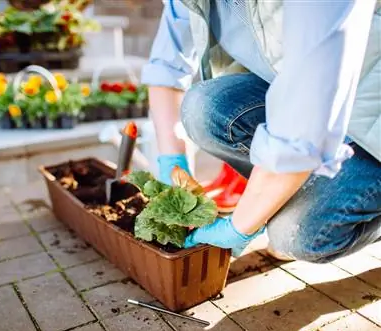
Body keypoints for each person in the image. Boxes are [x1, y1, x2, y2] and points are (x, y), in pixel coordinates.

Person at [141, 0, 381, 262]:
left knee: (297, 235)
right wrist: (172, 162)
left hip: (370, 125)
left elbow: (310, 104)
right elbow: (167, 66)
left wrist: (241, 225)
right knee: (204, 108)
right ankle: (291, 192)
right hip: (311, 99)